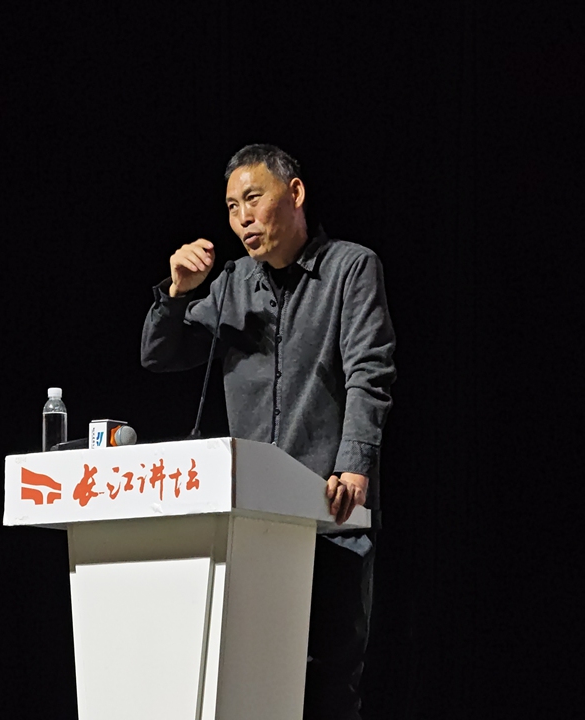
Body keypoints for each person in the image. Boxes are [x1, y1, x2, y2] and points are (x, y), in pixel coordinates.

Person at [140, 144, 396, 719]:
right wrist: (178, 293)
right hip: (251, 518)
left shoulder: (351, 269)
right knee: (254, 678)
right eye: (232, 208)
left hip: (329, 510)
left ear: (295, 193)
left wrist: (354, 463)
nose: (242, 219)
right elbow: (159, 355)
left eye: (253, 198)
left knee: (329, 682)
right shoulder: (232, 284)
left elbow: (369, 371)